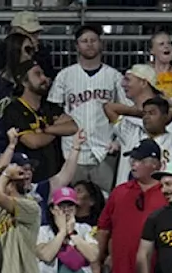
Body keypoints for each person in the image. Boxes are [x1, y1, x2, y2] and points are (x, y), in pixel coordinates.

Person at [47, 24, 122, 189]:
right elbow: (53, 111)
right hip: (72, 152)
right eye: (84, 41)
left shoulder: (114, 76)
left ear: (101, 44)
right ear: (77, 46)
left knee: (105, 201)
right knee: (72, 200)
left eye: (93, 40)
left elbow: (125, 111)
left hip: (105, 151)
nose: (89, 44)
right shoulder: (65, 76)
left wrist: (118, 140)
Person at [96, 139, 166, 273]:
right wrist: (96, 262)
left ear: (155, 164)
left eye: (139, 160)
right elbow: (103, 230)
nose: (133, 164)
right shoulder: (119, 192)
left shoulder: (167, 194)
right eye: (132, 160)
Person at [5, 61, 79, 183]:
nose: (44, 78)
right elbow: (33, 142)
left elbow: (73, 126)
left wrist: (46, 130)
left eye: (43, 74)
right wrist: (57, 129)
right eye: (37, 74)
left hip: (56, 176)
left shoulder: (50, 106)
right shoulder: (14, 110)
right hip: (27, 179)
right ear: (24, 82)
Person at [35, 186, 101, 273]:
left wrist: (72, 234)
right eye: (61, 207)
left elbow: (92, 255)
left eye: (70, 207)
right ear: (53, 209)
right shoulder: (43, 232)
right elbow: (46, 255)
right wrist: (61, 232)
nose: (66, 211)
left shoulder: (84, 229)